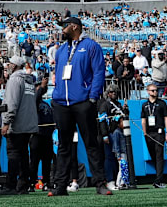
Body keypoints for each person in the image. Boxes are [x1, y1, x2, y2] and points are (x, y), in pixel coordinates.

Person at [48, 17, 110, 197]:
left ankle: (100, 183)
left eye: (64, 26)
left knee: (91, 143)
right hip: (61, 103)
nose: (62, 30)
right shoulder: (61, 50)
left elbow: (99, 71)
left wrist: (92, 97)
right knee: (63, 146)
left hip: (83, 102)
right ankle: (60, 185)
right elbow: (57, 72)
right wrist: (56, 94)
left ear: (74, 27)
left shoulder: (91, 46)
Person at [0, 56, 37, 195]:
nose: (7, 66)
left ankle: (11, 185)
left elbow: (12, 103)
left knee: (13, 154)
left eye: (9, 64)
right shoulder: (29, 81)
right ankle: (23, 185)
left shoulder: (14, 80)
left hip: (17, 124)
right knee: (24, 155)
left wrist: (7, 122)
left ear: (14, 66)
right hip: (28, 124)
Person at [140, 83, 167, 188]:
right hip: (149, 133)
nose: (155, 92)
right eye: (153, 90)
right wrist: (144, 132)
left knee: (159, 156)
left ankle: (159, 180)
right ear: (148, 91)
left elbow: (166, 118)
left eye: (156, 90)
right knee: (153, 156)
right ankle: (158, 177)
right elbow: (143, 120)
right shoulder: (144, 105)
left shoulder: (162, 103)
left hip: (159, 132)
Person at [97, 84, 125, 191]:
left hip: (119, 134)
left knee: (118, 158)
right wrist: (104, 135)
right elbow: (102, 120)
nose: (114, 94)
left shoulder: (119, 104)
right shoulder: (104, 105)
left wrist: (126, 110)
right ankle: (110, 181)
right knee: (109, 157)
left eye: (116, 92)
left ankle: (120, 181)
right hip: (108, 134)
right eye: (112, 92)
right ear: (108, 93)